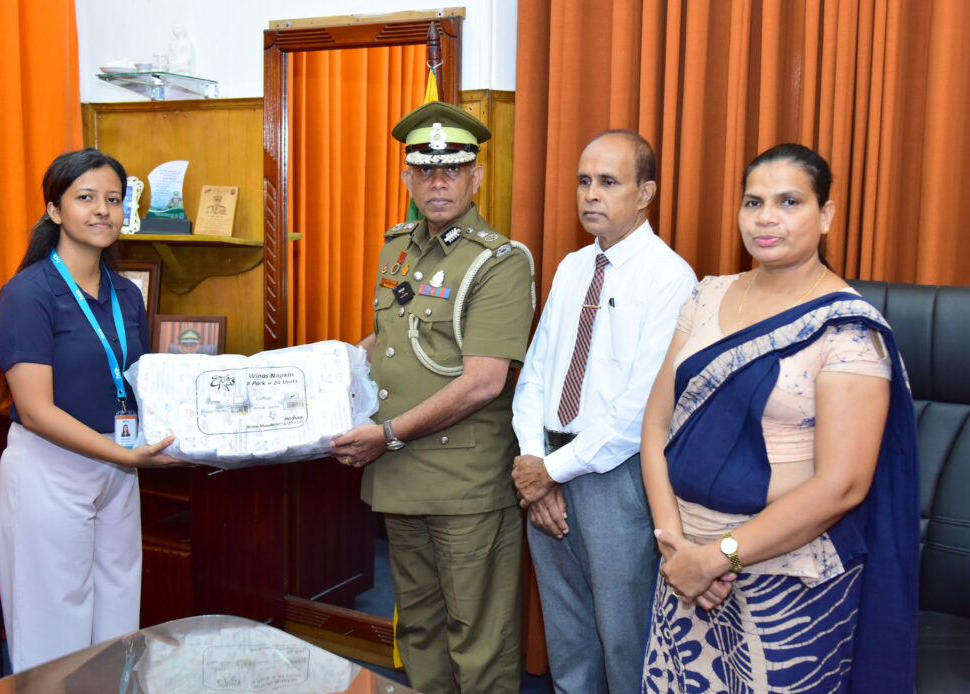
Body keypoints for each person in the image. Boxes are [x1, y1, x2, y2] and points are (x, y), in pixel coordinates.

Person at [639, 143, 919, 692]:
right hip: (683, 567)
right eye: (754, 202)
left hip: (786, 580)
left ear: (826, 215)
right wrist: (676, 546)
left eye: (789, 202)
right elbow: (655, 427)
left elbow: (843, 485)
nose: (766, 217)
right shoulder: (708, 294)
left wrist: (719, 558)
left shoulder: (846, 329)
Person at [330, 101, 534, 694]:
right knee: (418, 626)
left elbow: (484, 382)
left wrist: (387, 434)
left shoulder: (499, 261)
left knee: (478, 637)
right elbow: (388, 338)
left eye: (452, 170)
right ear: (407, 180)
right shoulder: (398, 247)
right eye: (424, 170)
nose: (437, 182)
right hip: (401, 473)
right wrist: (325, 372)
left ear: (476, 177)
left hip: (463, 482)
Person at [511, 130, 696, 693]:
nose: (591, 194)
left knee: (624, 640)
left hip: (616, 476)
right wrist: (534, 462)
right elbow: (535, 376)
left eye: (608, 182)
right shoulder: (572, 267)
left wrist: (549, 473)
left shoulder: (670, 277)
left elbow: (639, 409)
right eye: (584, 181)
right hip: (548, 464)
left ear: (646, 194)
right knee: (568, 640)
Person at [0, 148, 186, 672]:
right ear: (54, 210)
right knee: (52, 632)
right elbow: (35, 411)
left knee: (118, 620)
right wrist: (127, 456)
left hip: (119, 468)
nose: (103, 210)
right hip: (51, 471)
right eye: (86, 198)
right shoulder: (28, 294)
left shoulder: (126, 294)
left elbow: (139, 385)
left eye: (114, 199)